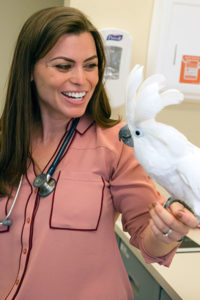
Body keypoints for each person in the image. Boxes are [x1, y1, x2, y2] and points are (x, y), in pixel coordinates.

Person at [0, 6, 198, 300]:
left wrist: (165, 232)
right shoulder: (5, 140)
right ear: (30, 70)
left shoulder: (117, 144)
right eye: (64, 66)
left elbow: (147, 238)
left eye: (90, 65)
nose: (82, 79)